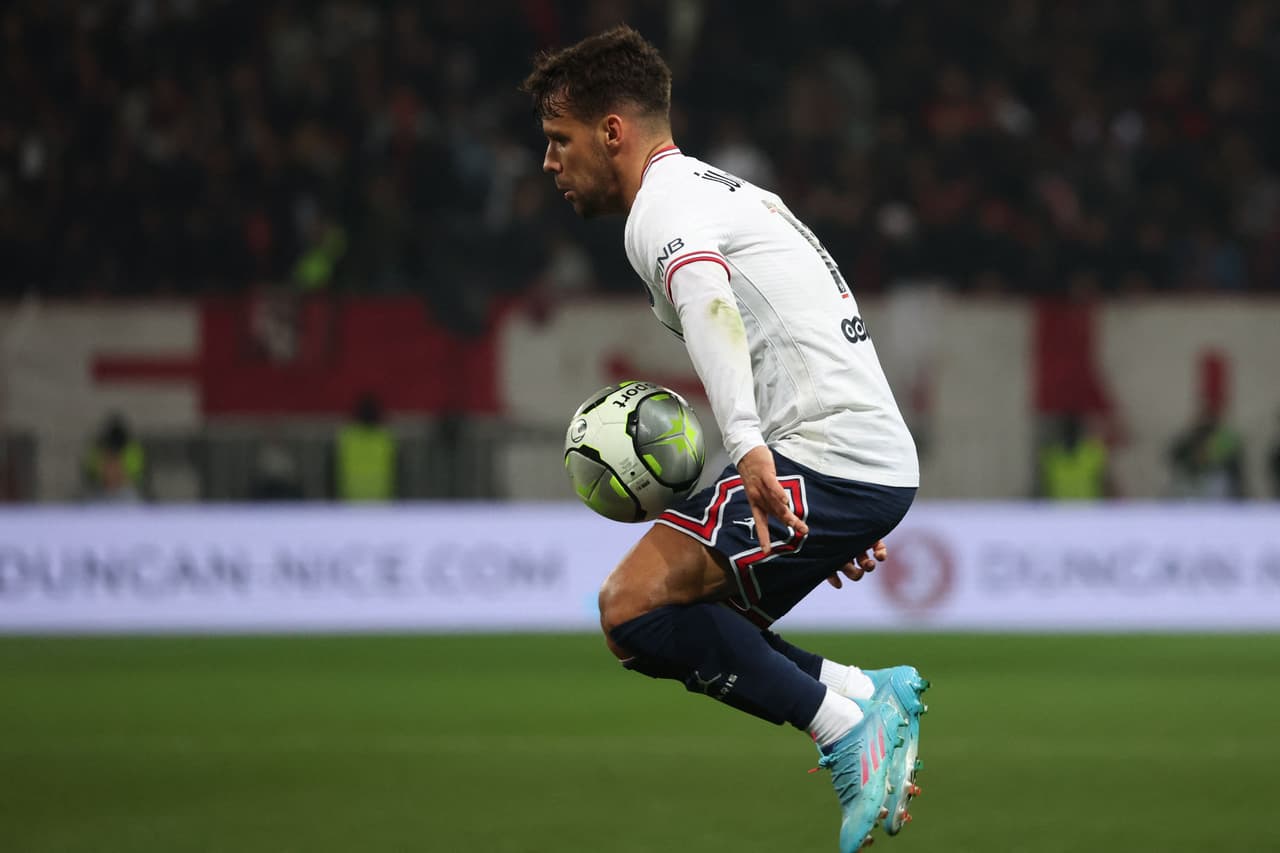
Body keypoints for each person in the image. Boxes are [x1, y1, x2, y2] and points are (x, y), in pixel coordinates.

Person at [522, 27, 925, 853]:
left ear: (612, 132)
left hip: (830, 453)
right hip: (846, 454)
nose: (548, 162)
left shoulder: (663, 209)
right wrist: (836, 491)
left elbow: (709, 305)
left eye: (560, 139)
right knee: (687, 617)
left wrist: (750, 448)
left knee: (631, 607)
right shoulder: (720, 194)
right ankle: (859, 693)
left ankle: (845, 726)